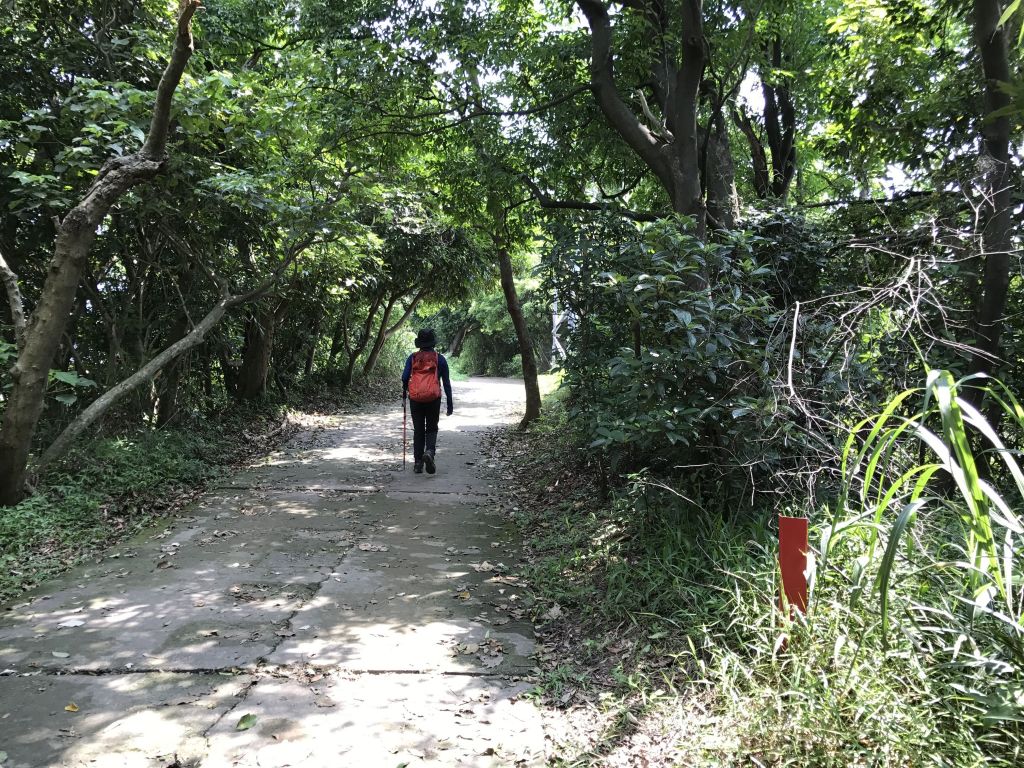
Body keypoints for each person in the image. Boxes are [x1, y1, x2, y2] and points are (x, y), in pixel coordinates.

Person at [402, 329, 453, 474]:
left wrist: (405, 391)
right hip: (433, 398)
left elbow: (405, 377)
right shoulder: (439, 358)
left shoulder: (412, 358)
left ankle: (418, 463)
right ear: (433, 342)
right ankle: (429, 452)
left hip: (416, 398)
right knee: (431, 428)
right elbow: (446, 383)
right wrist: (450, 404)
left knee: (418, 430)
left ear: (420, 343)